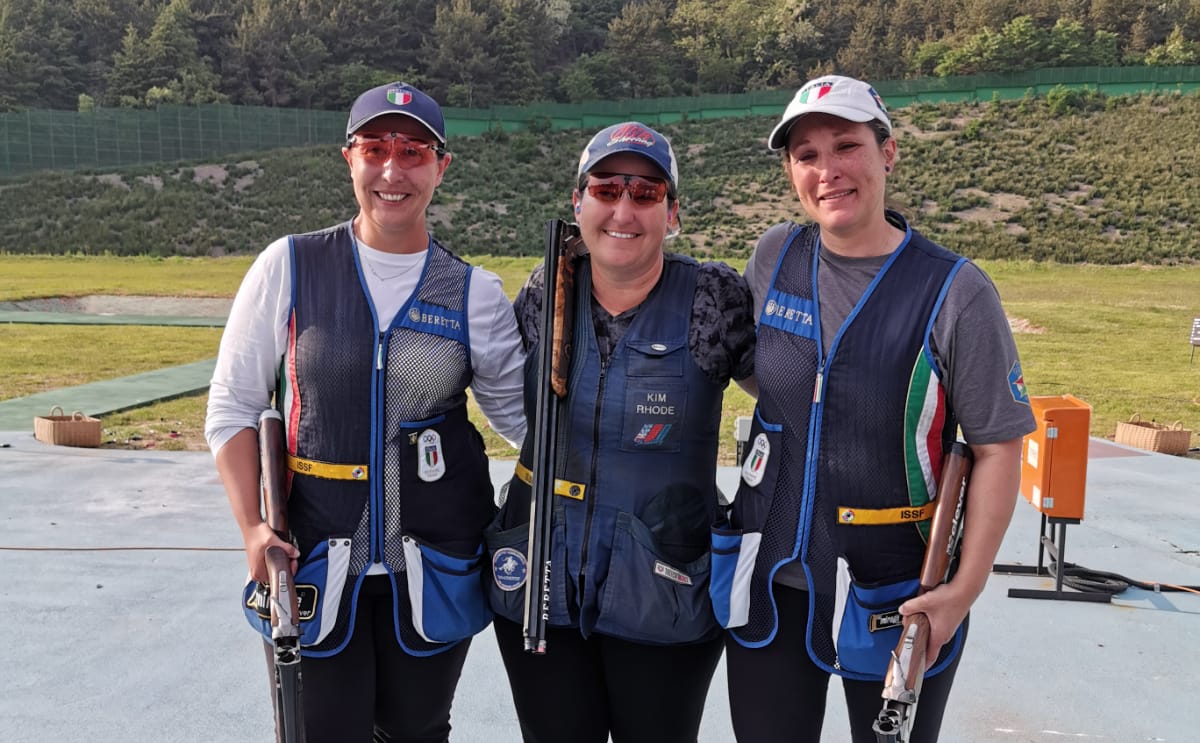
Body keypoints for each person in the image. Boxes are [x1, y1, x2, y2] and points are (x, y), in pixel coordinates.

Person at [712, 75, 1037, 743]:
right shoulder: (775, 256)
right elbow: (779, 378)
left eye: (846, 145)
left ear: (887, 152)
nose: (827, 170)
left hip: (901, 587)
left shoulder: (955, 289)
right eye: (806, 154)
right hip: (775, 573)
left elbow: (999, 444)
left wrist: (961, 590)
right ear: (790, 171)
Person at [204, 81, 526, 742]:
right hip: (314, 562)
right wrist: (250, 529)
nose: (392, 169)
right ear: (348, 157)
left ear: (441, 166)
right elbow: (233, 407)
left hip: (433, 567)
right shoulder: (288, 266)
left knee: (419, 729)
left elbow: (524, 422)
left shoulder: (475, 294)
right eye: (375, 147)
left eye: (413, 151)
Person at [484, 121, 756, 743]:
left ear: (674, 213)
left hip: (665, 587)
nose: (623, 209)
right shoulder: (542, 291)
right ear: (578, 203)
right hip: (541, 583)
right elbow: (499, 397)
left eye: (646, 193)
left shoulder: (714, 298)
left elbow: (788, 398)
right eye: (606, 189)